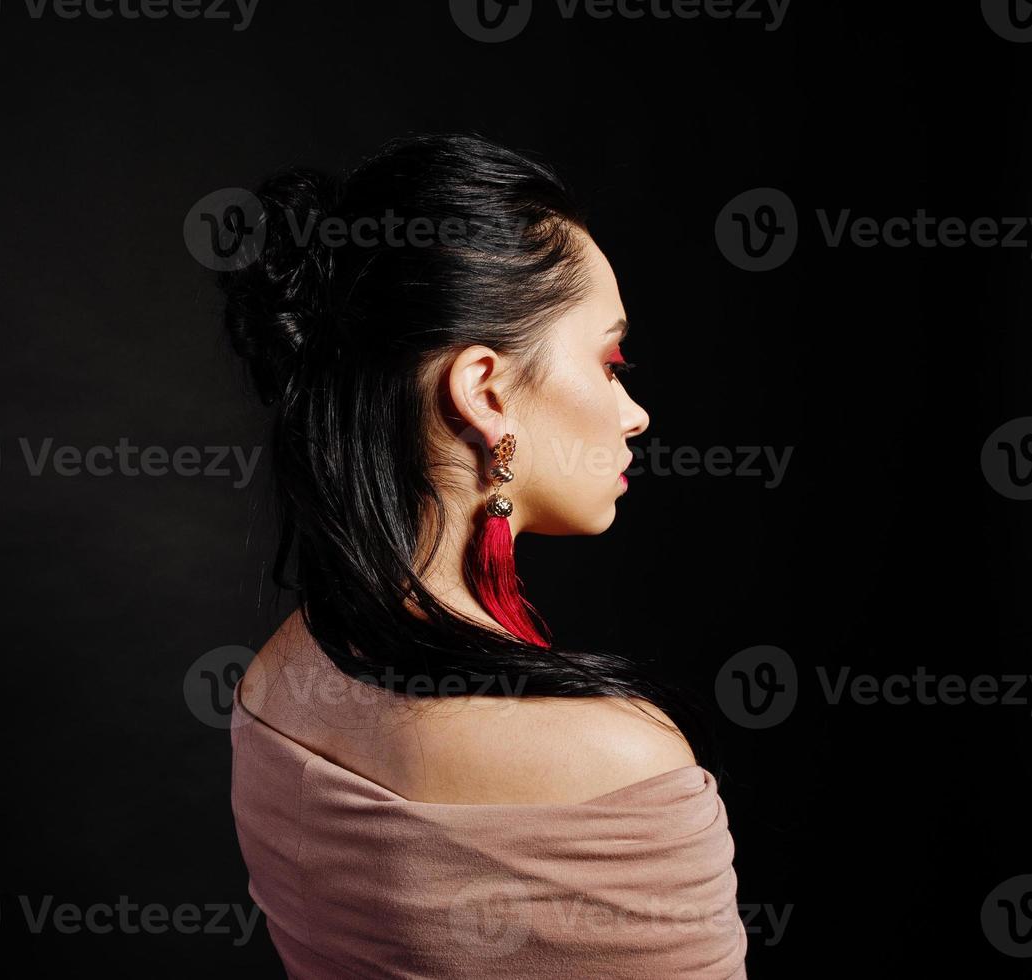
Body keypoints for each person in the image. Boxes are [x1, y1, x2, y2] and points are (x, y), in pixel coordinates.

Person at [218, 133, 748, 978]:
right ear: (484, 392)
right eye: (610, 362)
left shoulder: (276, 683)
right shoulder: (619, 764)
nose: (635, 412)